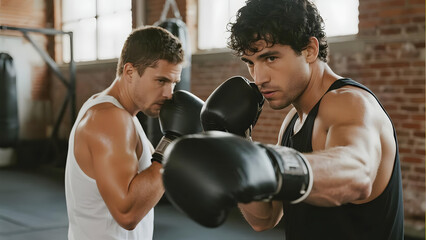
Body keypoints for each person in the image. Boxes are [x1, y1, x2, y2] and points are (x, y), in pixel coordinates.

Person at [161, 0, 404, 239]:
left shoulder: (349, 102)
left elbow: (358, 174)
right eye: (250, 63)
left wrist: (269, 164)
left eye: (270, 58)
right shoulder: (292, 120)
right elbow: (265, 218)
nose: (259, 78)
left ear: (310, 50)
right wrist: (238, 141)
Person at [65, 26, 203, 240]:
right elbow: (127, 213)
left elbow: (152, 179)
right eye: (161, 81)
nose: (169, 94)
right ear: (130, 72)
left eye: (174, 83)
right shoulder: (109, 119)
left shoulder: (122, 115)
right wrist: (172, 140)